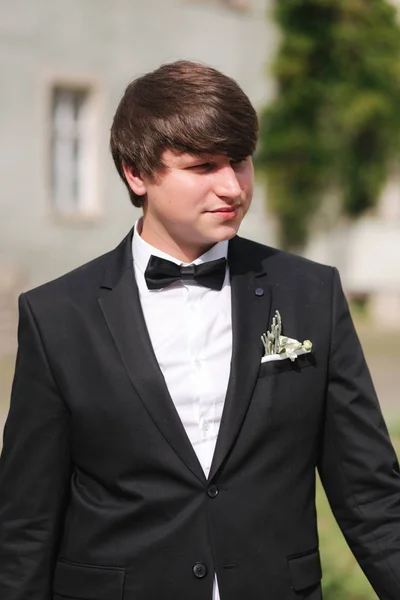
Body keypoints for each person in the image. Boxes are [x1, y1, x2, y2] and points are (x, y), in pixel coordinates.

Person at [0, 60, 400, 600]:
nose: (232, 185)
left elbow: (372, 496)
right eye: (204, 165)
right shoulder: (56, 316)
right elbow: (26, 522)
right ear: (136, 173)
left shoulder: (312, 294)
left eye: (240, 161)